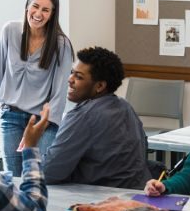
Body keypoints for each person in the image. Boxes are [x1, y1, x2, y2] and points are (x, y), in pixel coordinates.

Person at [0, 0, 73, 176]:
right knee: (14, 178)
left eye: (45, 10)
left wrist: (39, 128)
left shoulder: (61, 44)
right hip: (10, 117)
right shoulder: (9, 30)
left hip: (43, 122)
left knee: (35, 176)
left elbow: (59, 94)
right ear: (27, 6)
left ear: (52, 15)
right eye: (35, 6)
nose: (38, 14)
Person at [42, 46, 151, 189]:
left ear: (99, 86)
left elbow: (49, 172)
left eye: (78, 77)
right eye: (71, 73)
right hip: (136, 194)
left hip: (102, 200)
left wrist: (31, 145)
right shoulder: (125, 106)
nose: (70, 79)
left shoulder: (83, 116)